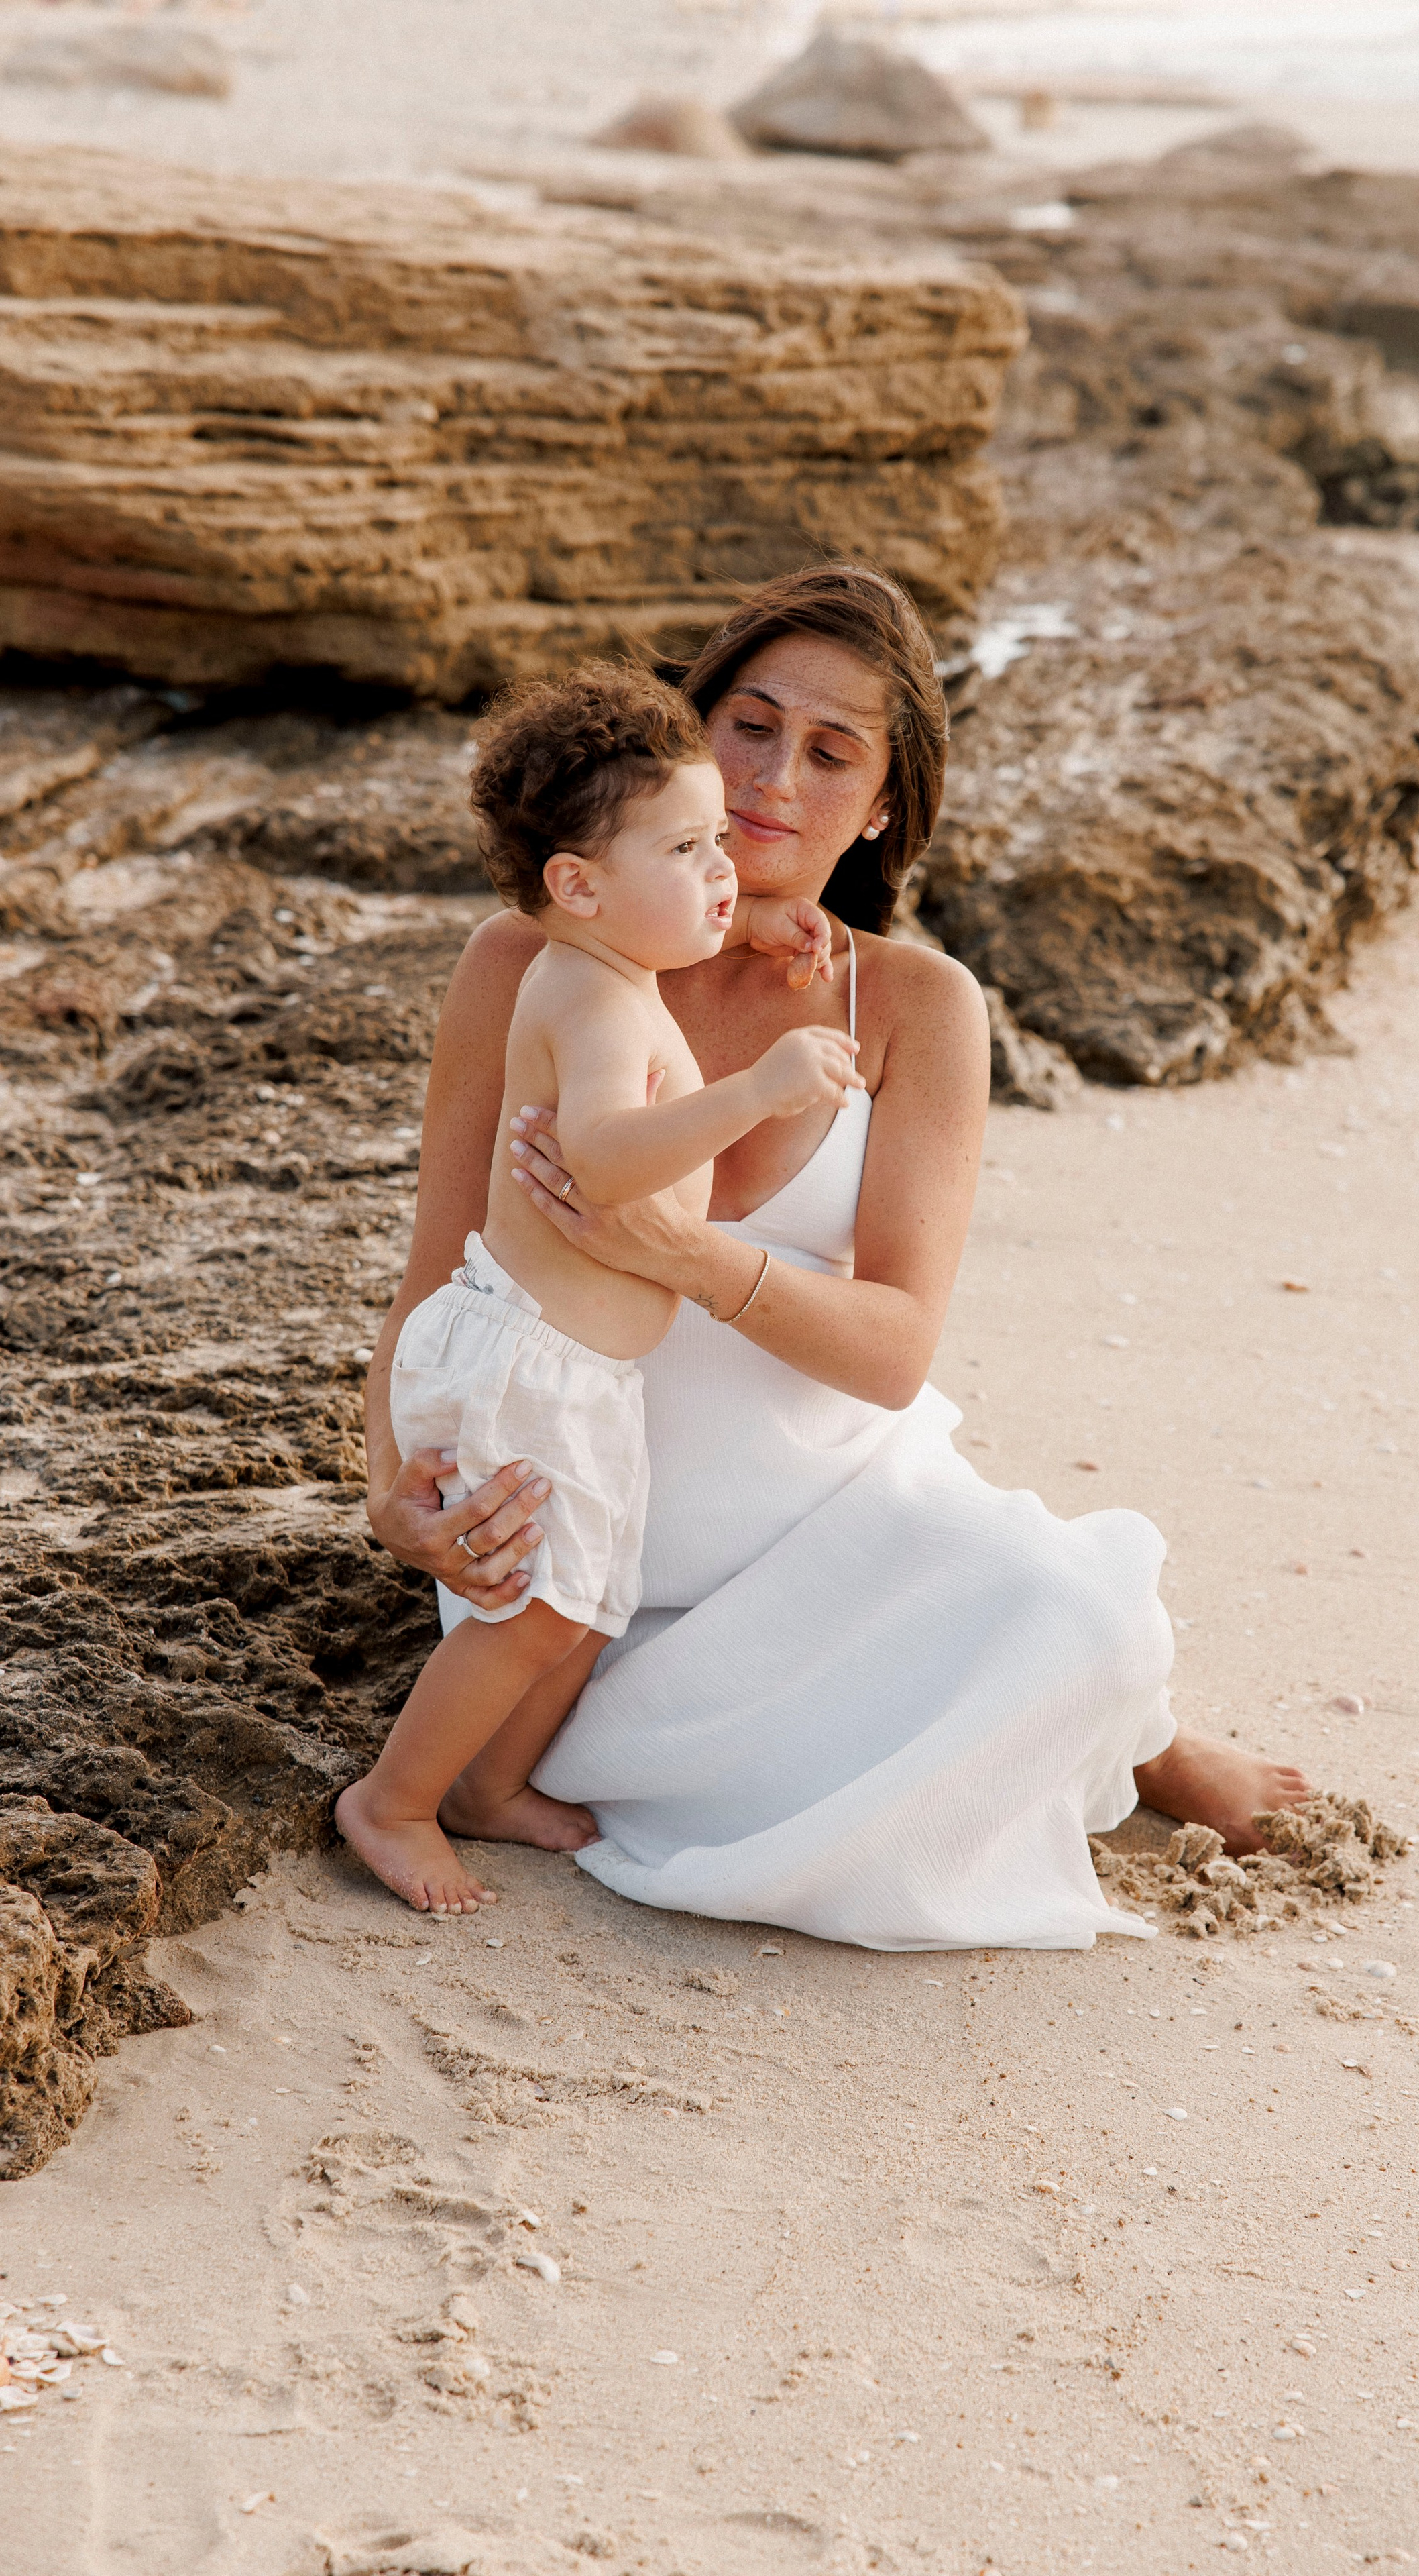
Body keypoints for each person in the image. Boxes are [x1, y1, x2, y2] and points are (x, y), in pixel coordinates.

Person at [364, 563, 1309, 1951]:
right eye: (747, 726)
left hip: (831, 1515)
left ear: (877, 807)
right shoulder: (532, 957)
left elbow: (890, 1352)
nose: (772, 780)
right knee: (585, 1741)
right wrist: (395, 1498)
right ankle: (1102, 1729)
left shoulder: (916, 1007)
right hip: (571, 1537)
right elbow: (433, 1273)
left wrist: (683, 1258)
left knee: (1078, 1630)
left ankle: (1139, 1731)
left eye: (830, 753)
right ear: (685, 739)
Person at [335, 666, 858, 1915]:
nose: (724, 868)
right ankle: (395, 1800)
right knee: (530, 1607)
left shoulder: (609, 967)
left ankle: (488, 1788)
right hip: (534, 1360)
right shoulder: (586, 995)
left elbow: (666, 924)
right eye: (690, 847)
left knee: (586, 1604)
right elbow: (604, 1160)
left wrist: (746, 928)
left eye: (719, 841)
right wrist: (760, 1089)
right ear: (577, 885)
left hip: (577, 1365)